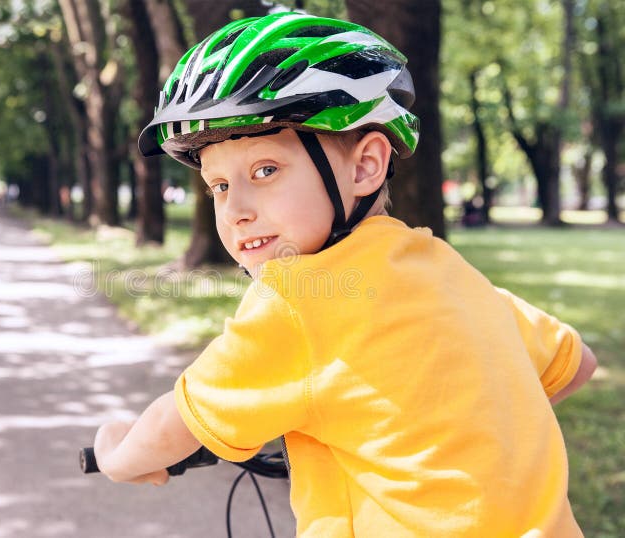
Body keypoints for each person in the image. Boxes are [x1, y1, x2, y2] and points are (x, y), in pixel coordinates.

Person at [92, 12, 597, 537]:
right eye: (218, 186)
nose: (235, 209)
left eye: (265, 171)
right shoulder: (444, 267)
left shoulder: (297, 301)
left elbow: (170, 428)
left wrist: (116, 452)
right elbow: (575, 364)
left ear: (364, 167)